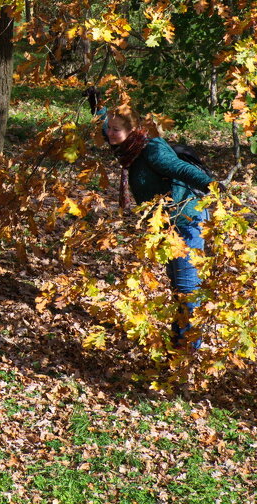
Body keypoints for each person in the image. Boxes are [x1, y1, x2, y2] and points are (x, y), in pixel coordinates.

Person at [101, 105, 214, 348]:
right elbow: (104, 125)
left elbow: (179, 168)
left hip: (186, 220)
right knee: (176, 284)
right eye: (109, 128)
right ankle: (178, 346)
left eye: (115, 130)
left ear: (132, 131)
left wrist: (211, 185)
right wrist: (99, 106)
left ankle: (187, 356)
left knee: (187, 289)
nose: (110, 133)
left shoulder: (151, 149)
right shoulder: (127, 146)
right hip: (166, 225)